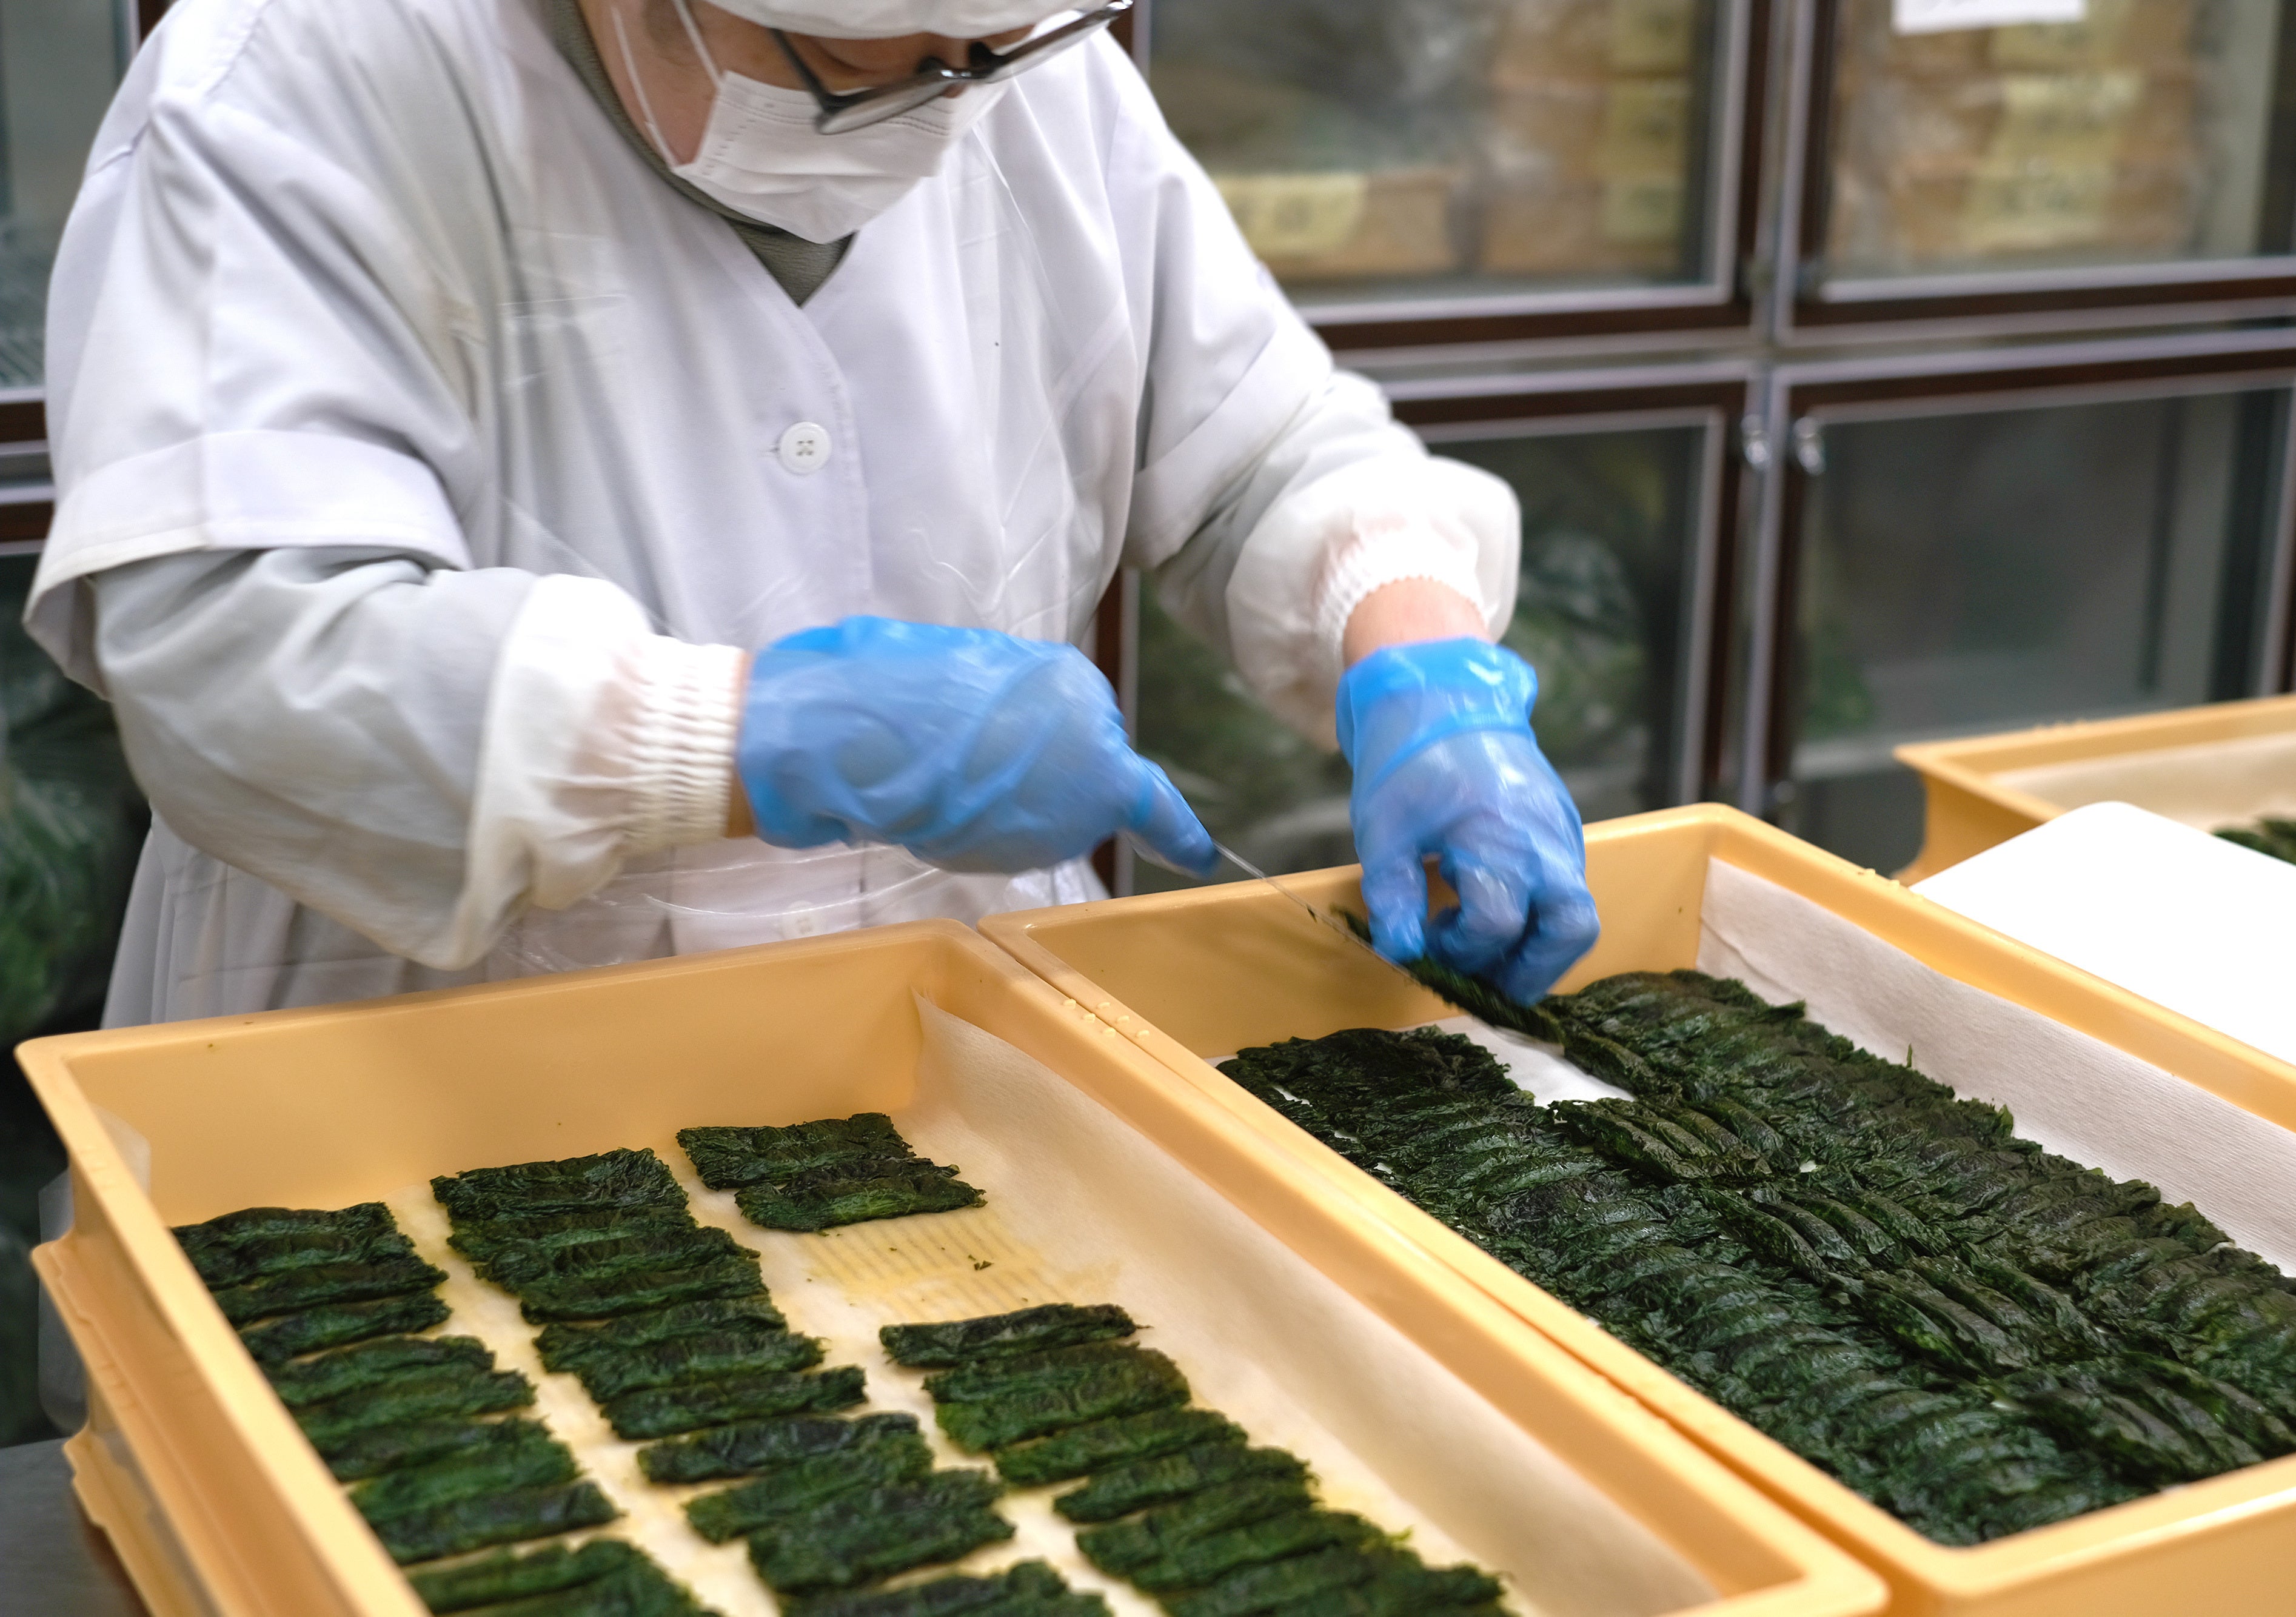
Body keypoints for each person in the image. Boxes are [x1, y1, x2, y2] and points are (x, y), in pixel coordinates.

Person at [28, 0, 1599, 1026]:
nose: (943, 98)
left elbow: (1260, 449)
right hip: (417, 1056)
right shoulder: (297, 82)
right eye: (857, 72)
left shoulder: (1027, 76)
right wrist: (745, 738)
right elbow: (235, 654)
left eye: (979, 52)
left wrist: (1415, 658)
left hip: (962, 1036)